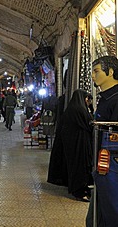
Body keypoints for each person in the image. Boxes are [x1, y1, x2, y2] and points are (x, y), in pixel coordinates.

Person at [86, 56, 118, 227]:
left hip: (112, 166)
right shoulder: (105, 98)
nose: (92, 76)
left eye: (96, 71)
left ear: (110, 72)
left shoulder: (116, 99)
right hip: (103, 165)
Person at [61, 89, 93, 202]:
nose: (87, 101)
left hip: (71, 144)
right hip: (80, 144)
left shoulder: (70, 109)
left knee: (74, 166)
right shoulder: (80, 110)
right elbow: (90, 123)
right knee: (80, 167)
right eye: (86, 98)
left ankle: (77, 188)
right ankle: (79, 191)